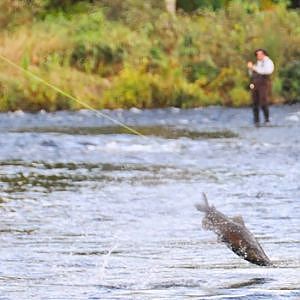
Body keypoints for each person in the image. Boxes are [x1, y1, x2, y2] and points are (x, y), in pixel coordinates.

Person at [247, 49, 274, 126]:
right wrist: (250, 68)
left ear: (264, 54)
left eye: (260, 54)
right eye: (257, 54)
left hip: (264, 84)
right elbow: (251, 74)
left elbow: (267, 71)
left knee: (263, 101)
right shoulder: (256, 63)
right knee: (254, 102)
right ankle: (256, 121)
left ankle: (267, 120)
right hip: (254, 84)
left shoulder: (268, 62)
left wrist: (254, 68)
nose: (258, 56)